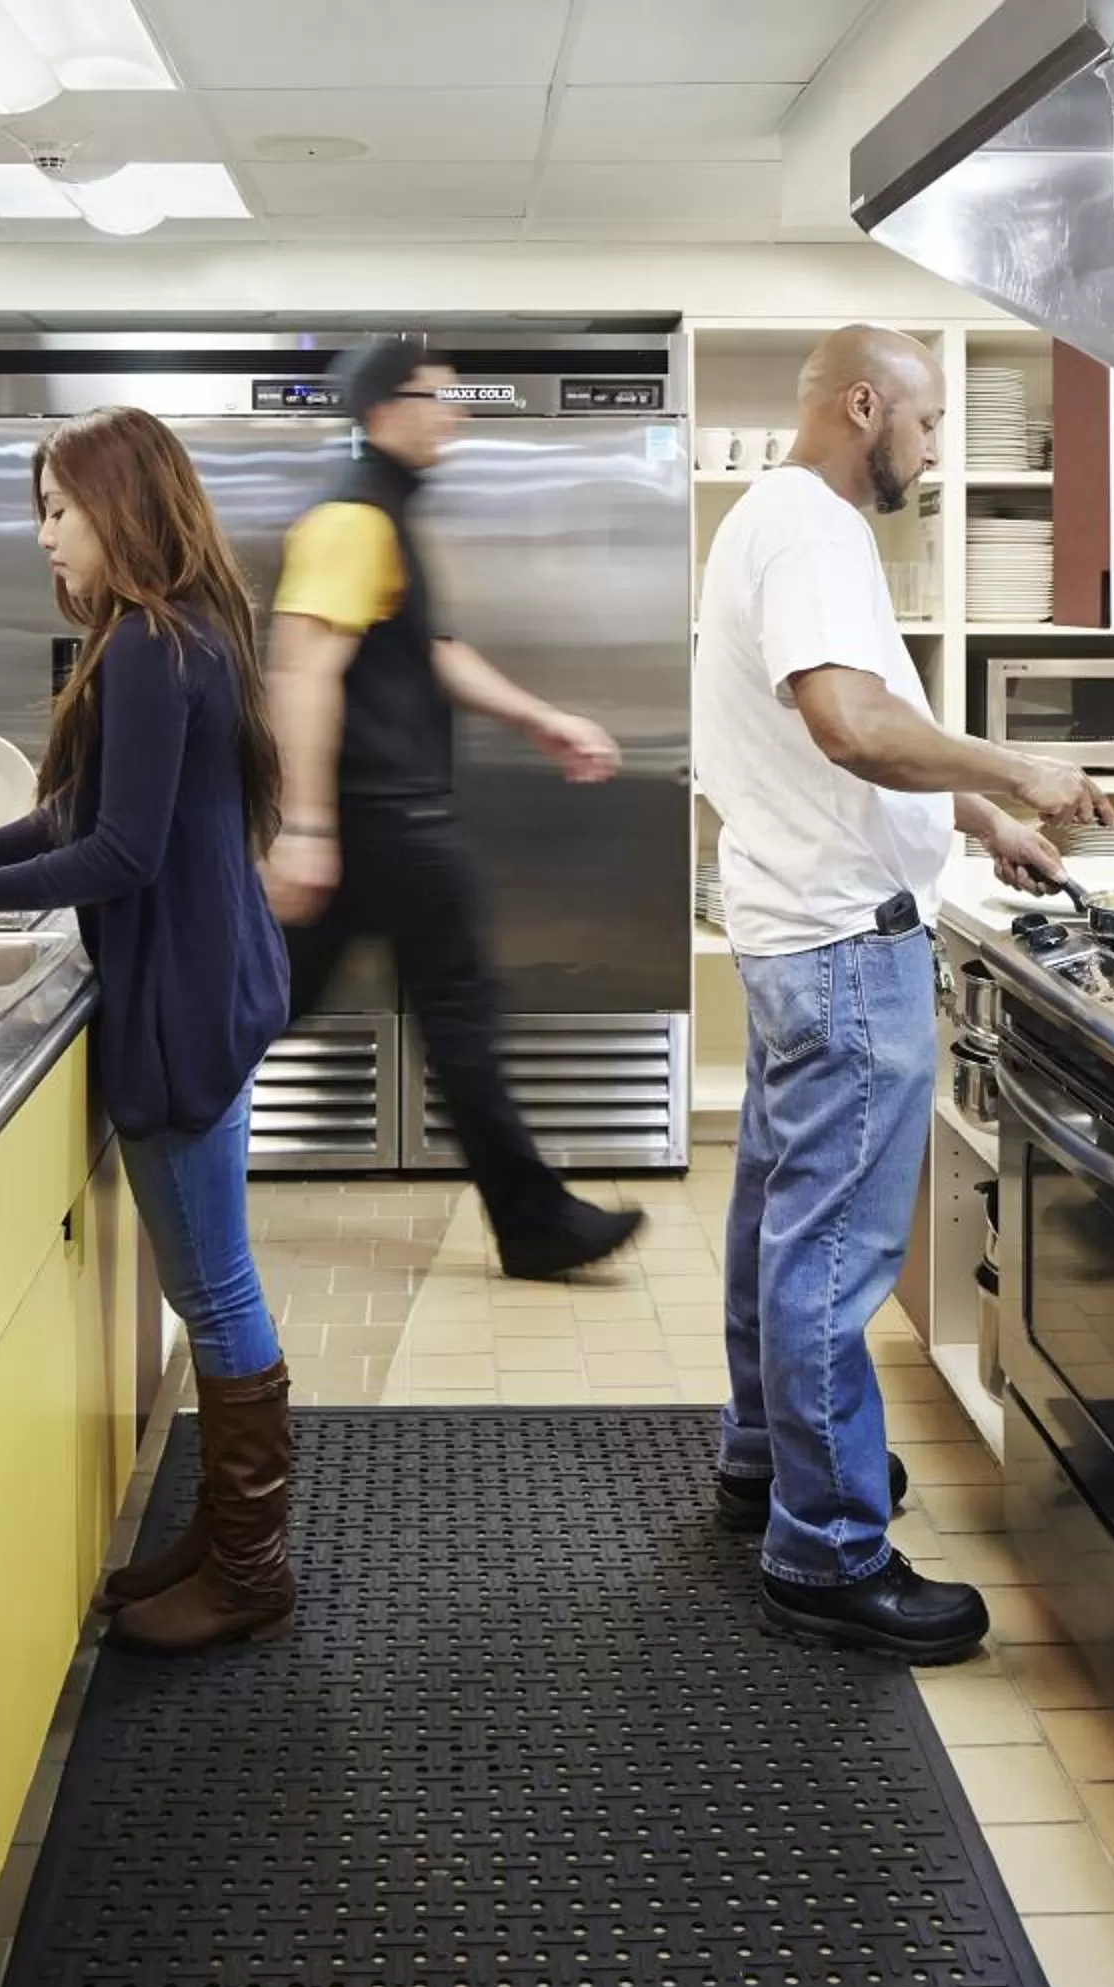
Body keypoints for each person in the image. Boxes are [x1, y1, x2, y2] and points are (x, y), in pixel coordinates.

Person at [694, 325, 1114, 1664]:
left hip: (797, 929)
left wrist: (981, 823)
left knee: (781, 1218)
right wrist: (1022, 771)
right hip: (840, 946)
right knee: (830, 1251)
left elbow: (862, 737)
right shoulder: (814, 525)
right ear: (862, 404)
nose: (935, 454)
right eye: (928, 426)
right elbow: (846, 724)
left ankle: (769, 1464)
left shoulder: (778, 519)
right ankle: (825, 1557)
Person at [0, 405, 297, 1656]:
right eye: (41, 510)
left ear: (122, 507)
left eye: (60, 508)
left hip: (184, 999)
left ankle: (252, 1568)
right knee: (214, 1281)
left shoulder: (152, 646)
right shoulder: (176, 632)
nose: (46, 536)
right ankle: (223, 1535)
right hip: (209, 980)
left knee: (215, 1288)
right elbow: (70, 813)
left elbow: (119, 851)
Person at [262, 337, 646, 1282]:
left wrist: (541, 719)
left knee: (277, 1002)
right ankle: (532, 1220)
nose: (457, 413)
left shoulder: (384, 513)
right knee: (439, 1012)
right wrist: (303, 827)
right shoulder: (352, 519)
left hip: (386, 818)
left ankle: (130, 1119)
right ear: (388, 407)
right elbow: (302, 670)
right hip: (380, 818)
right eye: (440, 397)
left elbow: (429, 647)